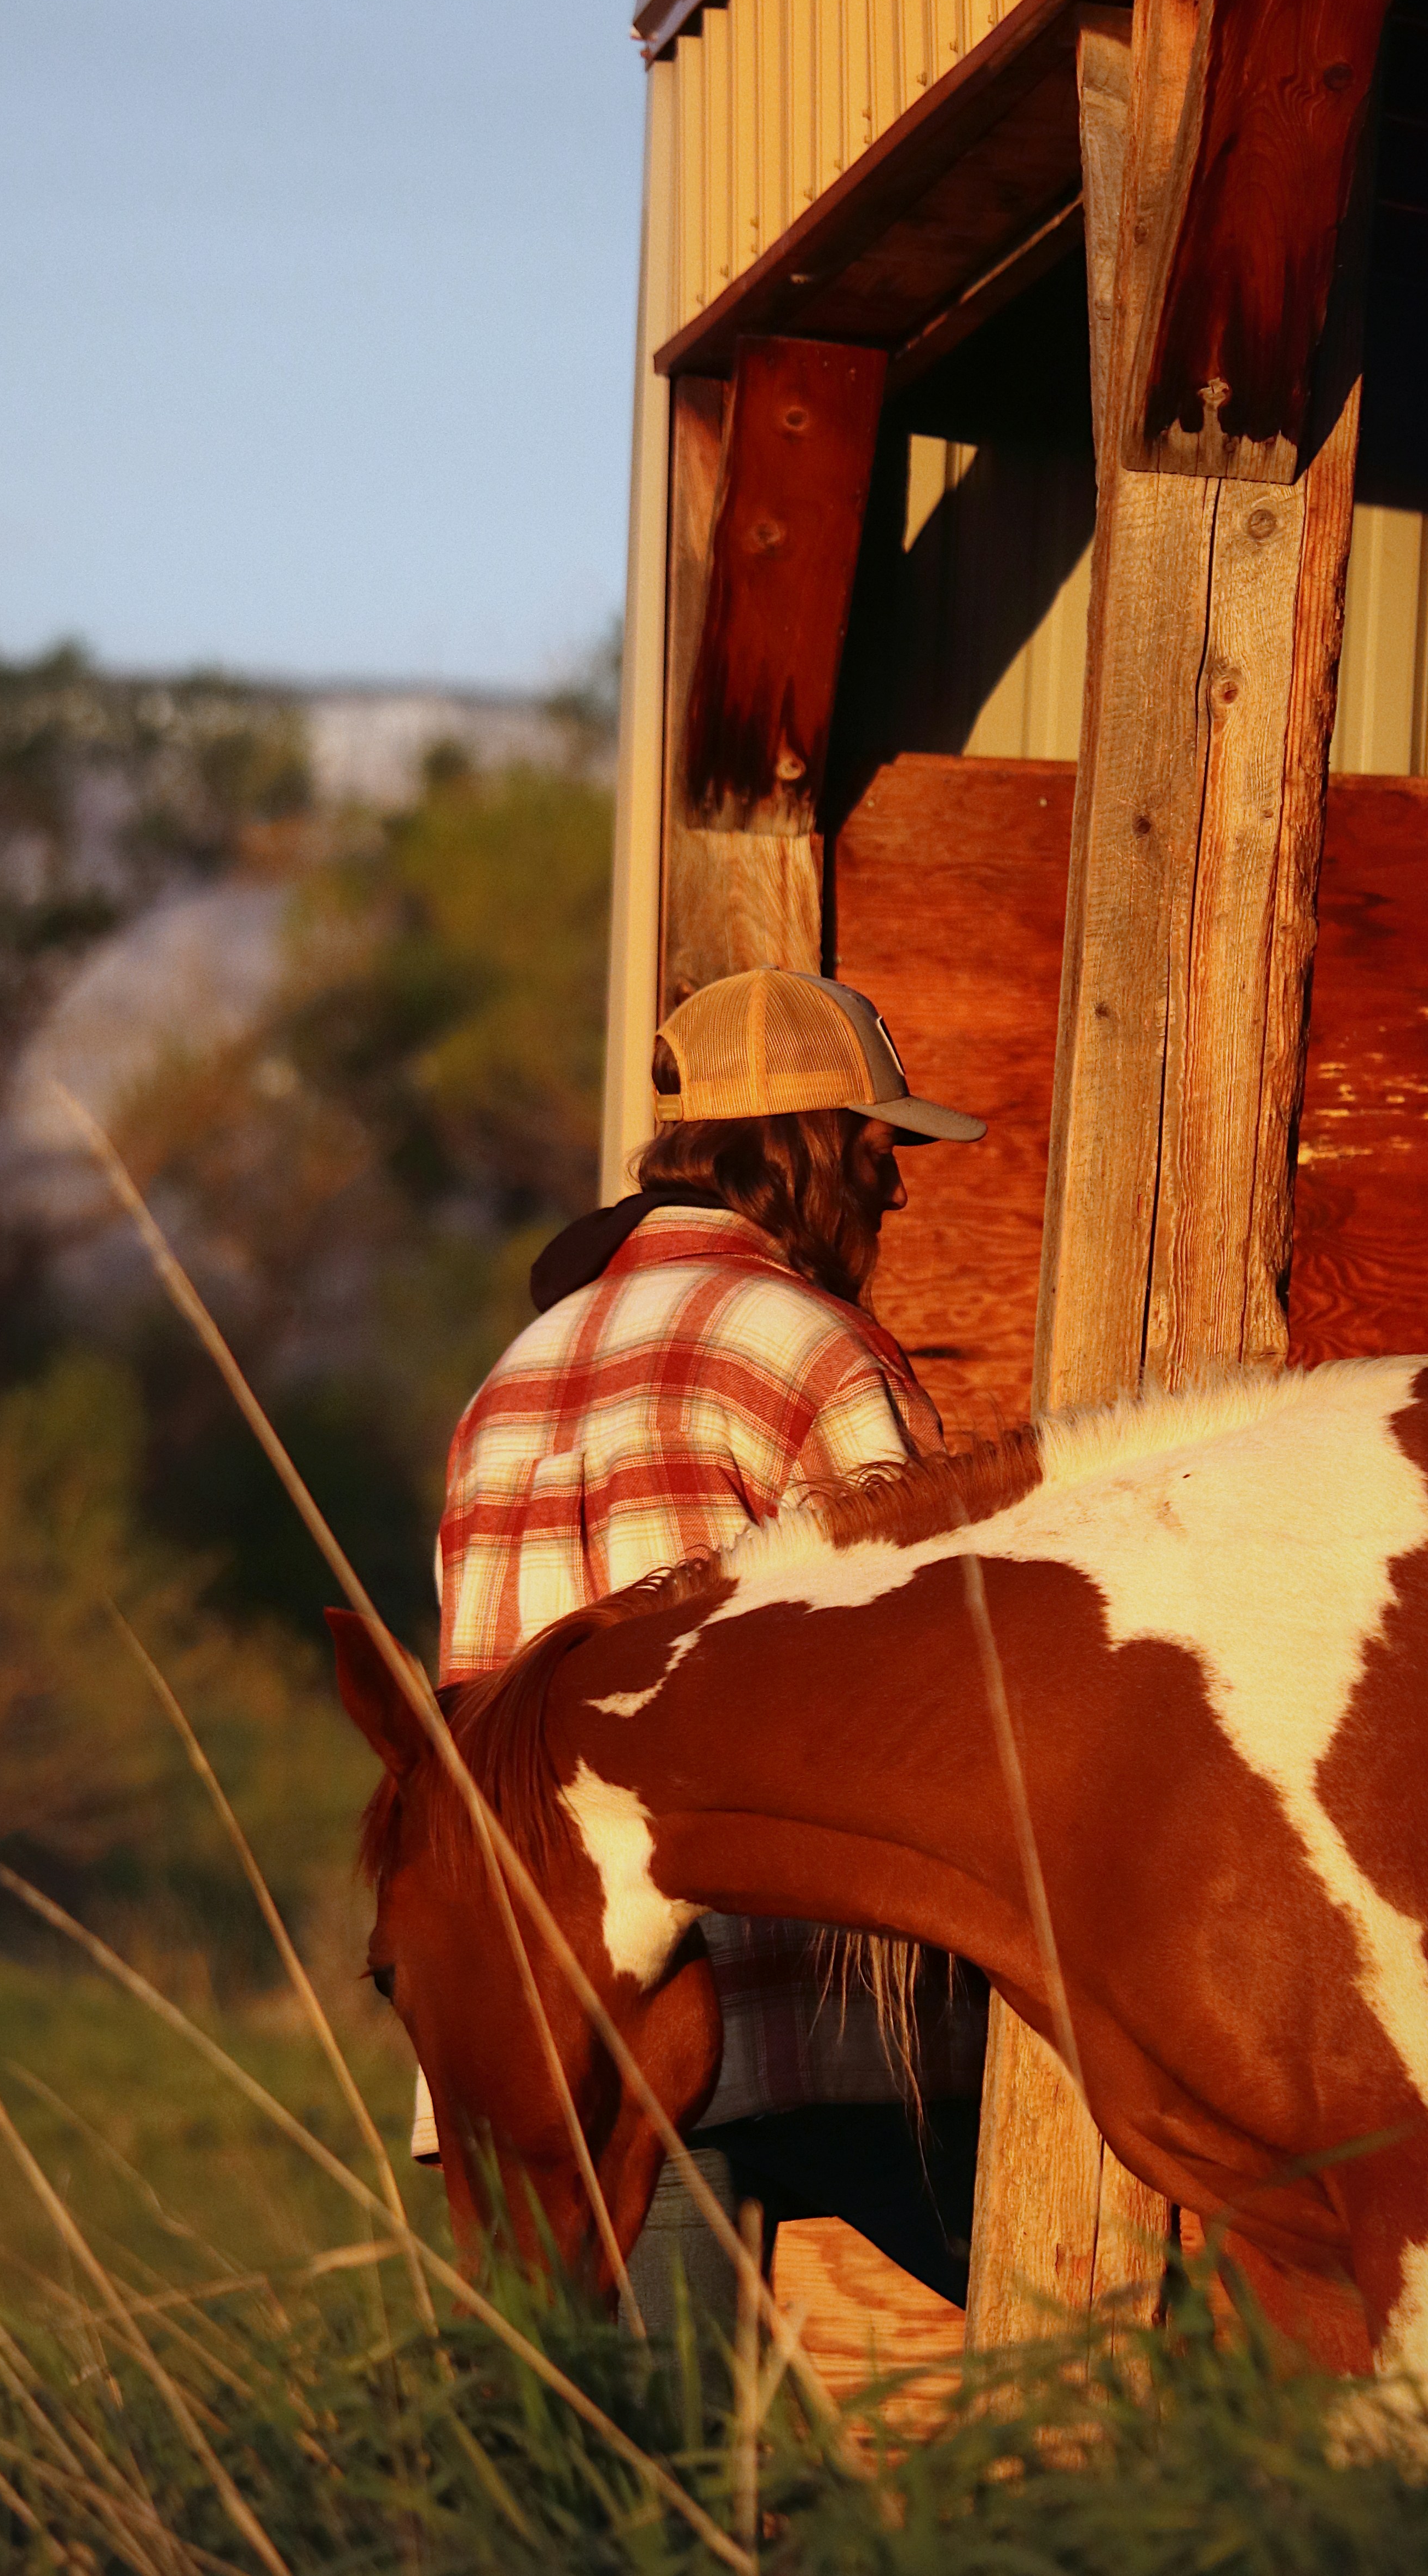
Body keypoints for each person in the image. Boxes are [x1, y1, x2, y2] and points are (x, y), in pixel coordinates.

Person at [418, 966, 989, 2337]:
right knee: (1130, 2337)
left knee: (644, 2487)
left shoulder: (512, 1378)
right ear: (800, 1148)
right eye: (877, 1148)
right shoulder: (816, 1350)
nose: (895, 1194)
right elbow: (935, 1693)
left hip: (583, 2044)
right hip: (823, 2025)